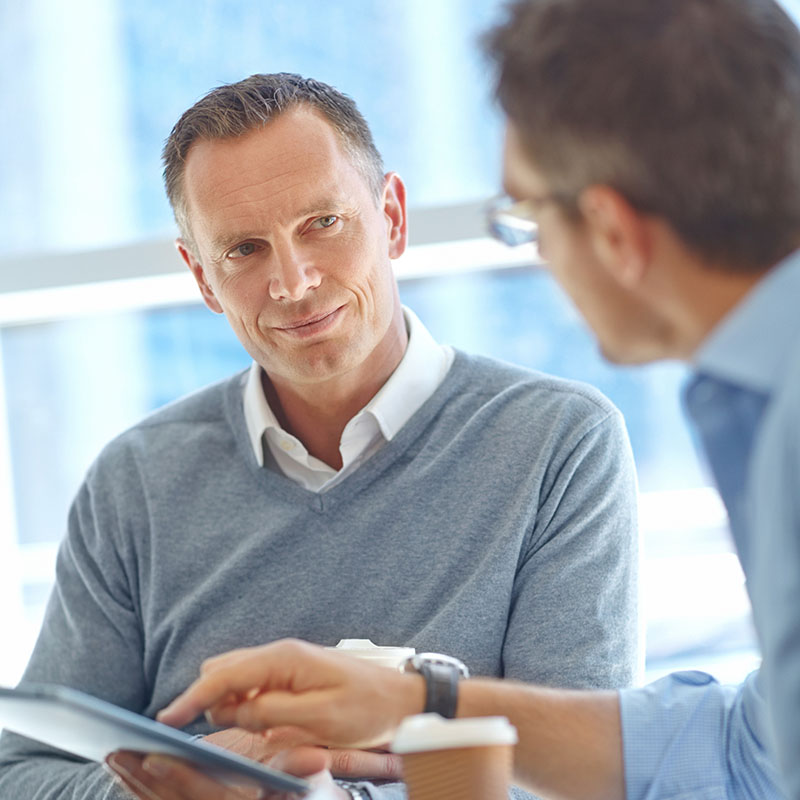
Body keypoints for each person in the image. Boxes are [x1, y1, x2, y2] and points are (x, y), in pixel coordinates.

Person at [129, 0, 800, 798]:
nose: (293, 283)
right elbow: (754, 746)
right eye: (244, 248)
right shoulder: (757, 404)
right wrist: (417, 704)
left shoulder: (640, 431)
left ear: (612, 232)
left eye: (527, 218)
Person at [0, 73, 640, 800]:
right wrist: (187, 779)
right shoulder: (136, 483)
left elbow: (581, 779)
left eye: (323, 223)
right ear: (203, 278)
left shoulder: (559, 446)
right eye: (245, 249)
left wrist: (306, 790)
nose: (293, 282)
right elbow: (20, 774)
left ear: (392, 218)